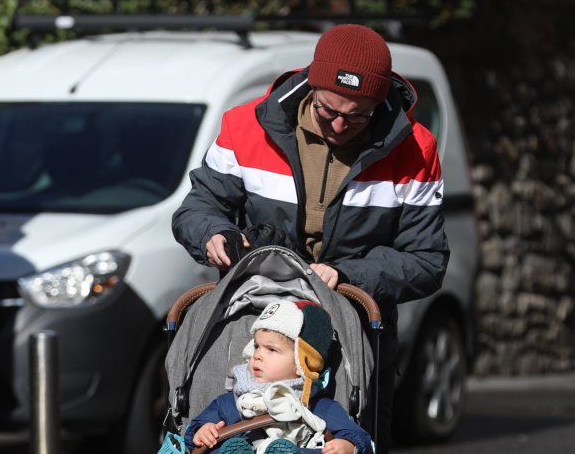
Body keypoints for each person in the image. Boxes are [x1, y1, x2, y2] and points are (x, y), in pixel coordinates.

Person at [172, 24, 448, 454]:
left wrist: (344, 274)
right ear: (310, 87)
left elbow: (427, 260)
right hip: (254, 327)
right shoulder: (246, 126)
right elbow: (197, 207)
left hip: (355, 332)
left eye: (358, 116)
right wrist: (213, 234)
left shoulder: (417, 149)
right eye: (327, 110)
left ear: (380, 102)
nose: (340, 124)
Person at [185, 300, 371, 454]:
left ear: (301, 364)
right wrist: (202, 431)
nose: (257, 355)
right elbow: (197, 428)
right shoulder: (230, 401)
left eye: (271, 349)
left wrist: (349, 445)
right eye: (257, 346)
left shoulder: (319, 406)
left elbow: (357, 435)